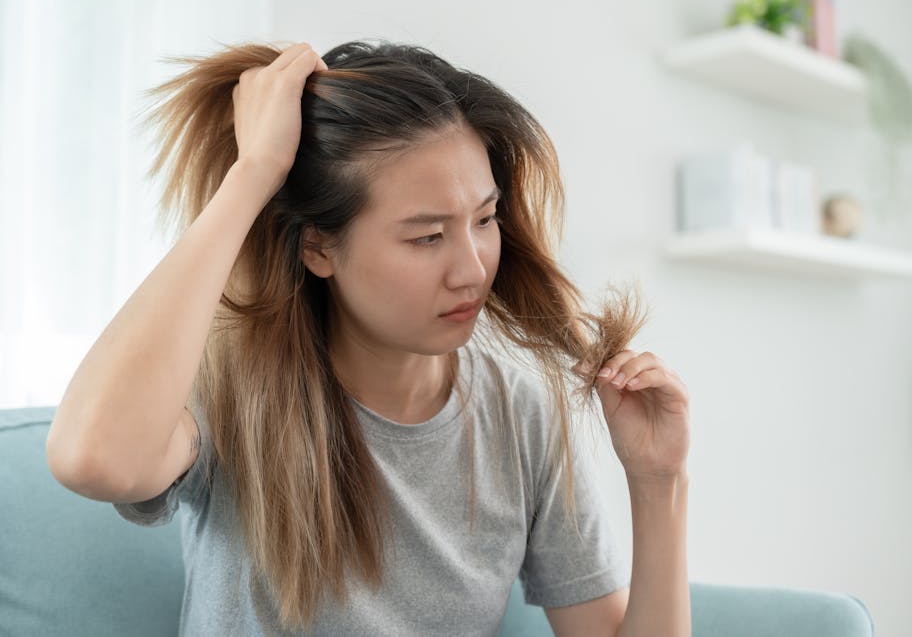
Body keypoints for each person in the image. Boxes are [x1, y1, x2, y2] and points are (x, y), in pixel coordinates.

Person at [46, 40, 691, 636]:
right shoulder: (231, 390)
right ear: (318, 247)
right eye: (427, 237)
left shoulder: (521, 415)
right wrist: (254, 174)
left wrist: (659, 481)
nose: (472, 268)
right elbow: (93, 459)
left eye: (486, 218)